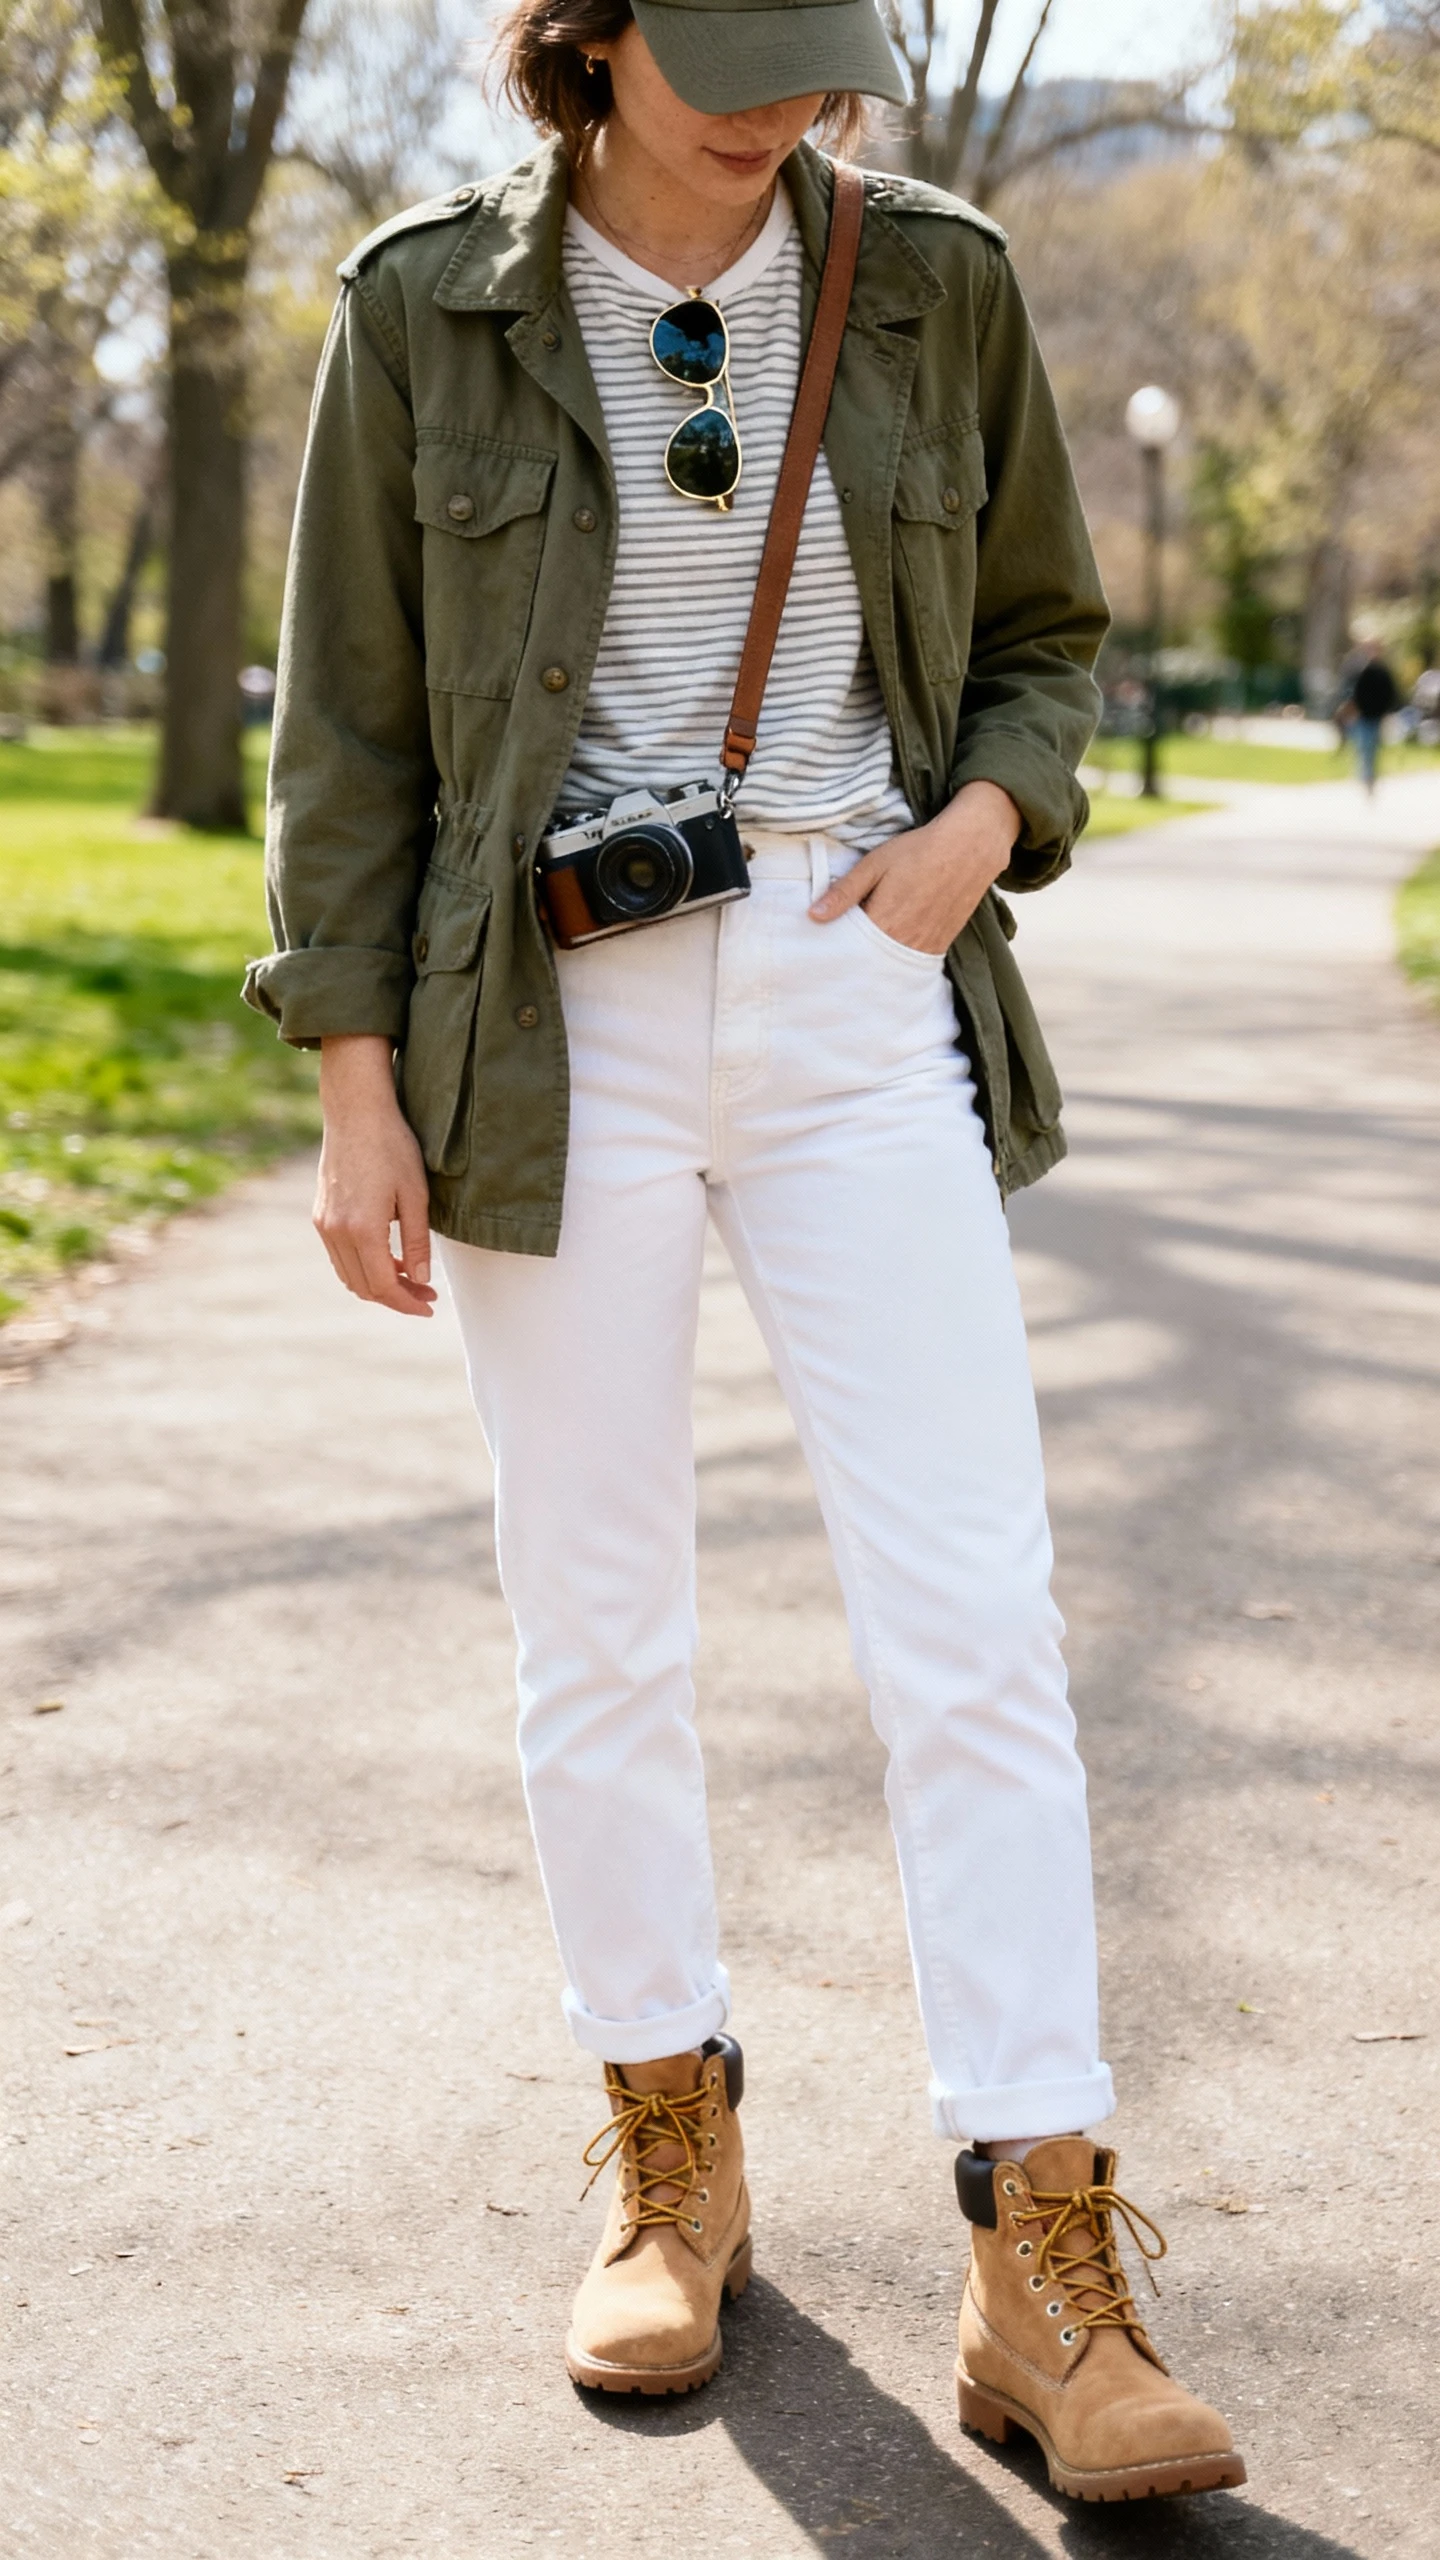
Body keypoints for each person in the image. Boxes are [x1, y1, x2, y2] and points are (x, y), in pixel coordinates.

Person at [244, 0, 1245, 2505]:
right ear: (585, 31)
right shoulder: (417, 304)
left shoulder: (932, 281)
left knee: (971, 1614)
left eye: (821, 55)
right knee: (595, 1614)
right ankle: (665, 2143)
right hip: (538, 1010)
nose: (780, 107)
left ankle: (1041, 2237)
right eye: (731, 54)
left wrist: (981, 826)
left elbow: (1045, 635)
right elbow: (348, 733)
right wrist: (354, 1086)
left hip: (848, 975)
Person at [1340, 641, 1401, 794]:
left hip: (1375, 716)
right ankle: (1364, 776)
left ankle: (1368, 776)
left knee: (1369, 747)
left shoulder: (1383, 673)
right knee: (1362, 746)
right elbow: (1352, 694)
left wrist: (1386, 713)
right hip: (1361, 716)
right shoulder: (1359, 671)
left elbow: (1390, 695)